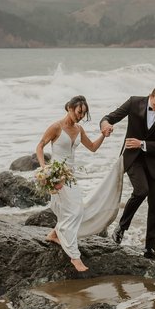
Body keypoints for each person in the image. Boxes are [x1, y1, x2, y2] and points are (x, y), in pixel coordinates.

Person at [100, 85, 155, 261]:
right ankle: (121, 227)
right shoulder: (134, 102)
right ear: (150, 96)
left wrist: (142, 144)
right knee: (141, 190)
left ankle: (151, 247)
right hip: (133, 158)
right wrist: (106, 124)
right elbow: (109, 117)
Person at [35, 95, 109, 272]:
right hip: (57, 175)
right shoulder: (56, 127)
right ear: (70, 108)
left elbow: (92, 147)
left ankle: (54, 234)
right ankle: (75, 257)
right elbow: (40, 146)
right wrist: (45, 169)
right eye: (79, 112)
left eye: (84, 113)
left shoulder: (79, 129)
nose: (81, 116)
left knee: (74, 209)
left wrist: (103, 135)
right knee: (75, 211)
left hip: (70, 175)